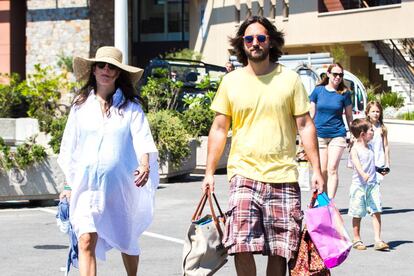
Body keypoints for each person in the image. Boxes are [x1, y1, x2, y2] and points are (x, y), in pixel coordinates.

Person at [202, 16, 324, 276]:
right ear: (242, 44)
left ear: (271, 42)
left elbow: (305, 125)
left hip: (283, 176)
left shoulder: (289, 80)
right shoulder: (231, 82)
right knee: (240, 243)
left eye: (260, 38)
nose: (254, 43)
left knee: (280, 248)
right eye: (249, 39)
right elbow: (219, 128)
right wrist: (209, 172)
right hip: (243, 174)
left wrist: (317, 170)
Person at [58, 46, 159, 276]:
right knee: (85, 240)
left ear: (118, 73)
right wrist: (67, 185)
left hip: (120, 188)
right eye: (101, 65)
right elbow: (69, 147)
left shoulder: (131, 108)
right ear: (93, 70)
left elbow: (143, 139)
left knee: (127, 240)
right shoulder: (80, 106)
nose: (106, 69)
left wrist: (144, 164)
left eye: (111, 66)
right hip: (85, 188)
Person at [309, 63, 353, 199]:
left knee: (332, 168)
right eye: (335, 74)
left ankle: (330, 203)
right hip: (319, 135)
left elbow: (349, 116)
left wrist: (352, 134)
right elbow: (311, 114)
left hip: (337, 134)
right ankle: (323, 199)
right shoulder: (318, 91)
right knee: (322, 170)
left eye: (341, 75)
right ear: (328, 74)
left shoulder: (345, 94)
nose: (338, 77)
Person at [348, 118, 389, 251]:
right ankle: (356, 238)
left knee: (376, 210)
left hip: (372, 185)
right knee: (358, 212)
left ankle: (377, 239)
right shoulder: (355, 149)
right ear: (362, 134)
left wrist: (379, 170)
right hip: (359, 186)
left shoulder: (370, 147)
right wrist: (363, 173)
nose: (373, 131)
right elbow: (356, 164)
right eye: (371, 130)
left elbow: (372, 164)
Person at [366, 100, 390, 180]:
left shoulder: (382, 128)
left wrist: (387, 163)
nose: (375, 114)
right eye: (373, 111)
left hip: (378, 162)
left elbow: (386, 146)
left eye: (377, 111)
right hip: (366, 162)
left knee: (375, 186)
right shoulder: (364, 127)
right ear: (368, 113)